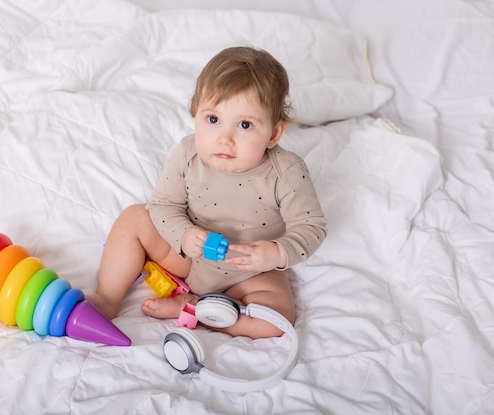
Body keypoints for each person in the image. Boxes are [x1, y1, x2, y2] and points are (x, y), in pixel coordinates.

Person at [88, 46, 327, 339]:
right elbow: (163, 206)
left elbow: (312, 227)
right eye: (213, 120)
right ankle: (107, 299)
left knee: (277, 321)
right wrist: (184, 235)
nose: (225, 139)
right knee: (134, 218)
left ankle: (193, 308)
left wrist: (276, 254)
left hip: (250, 273)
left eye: (245, 125)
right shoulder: (188, 154)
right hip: (189, 259)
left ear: (274, 134)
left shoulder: (286, 172)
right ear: (195, 113)